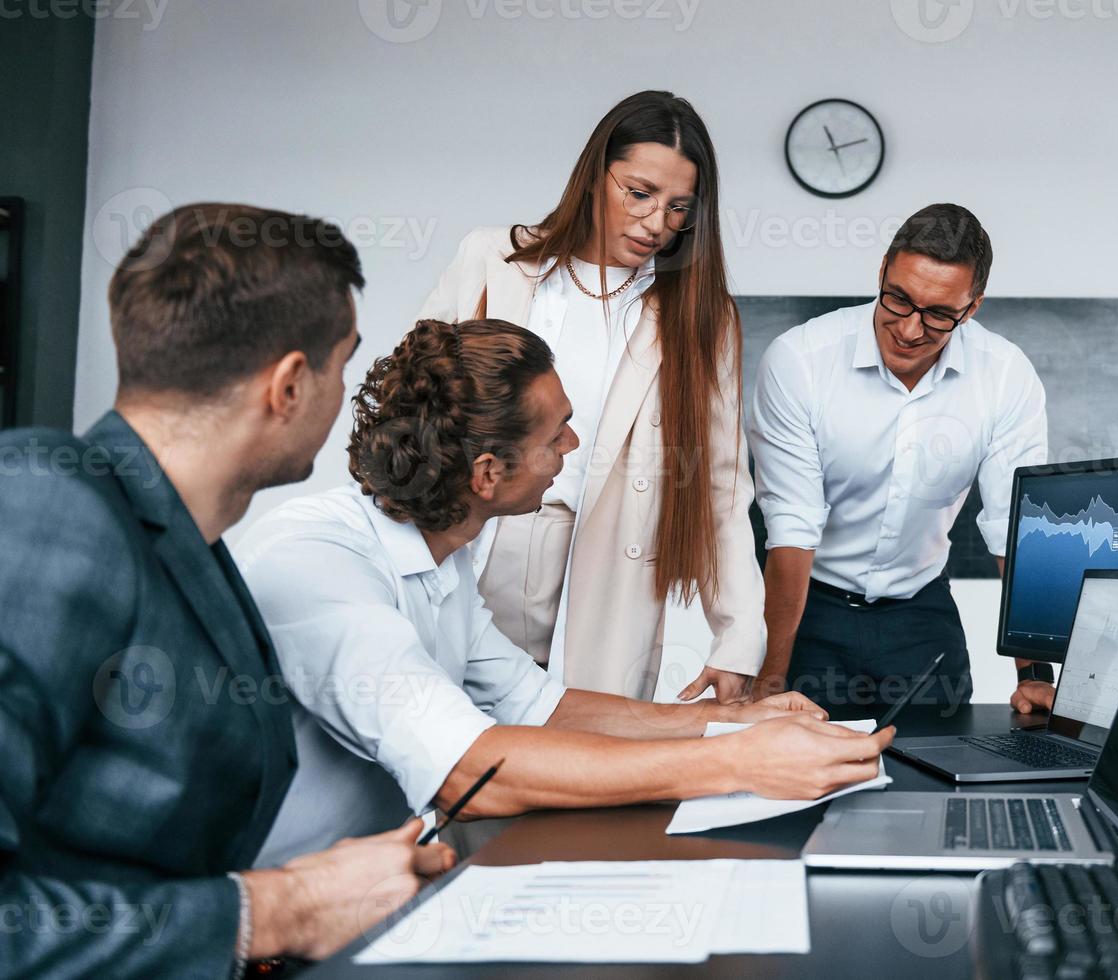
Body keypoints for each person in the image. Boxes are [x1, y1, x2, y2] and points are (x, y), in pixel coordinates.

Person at [240, 318, 894, 864]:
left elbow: (537, 705)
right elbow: (471, 774)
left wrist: (729, 721)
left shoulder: (443, 557)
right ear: (488, 473)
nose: (574, 445)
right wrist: (737, 761)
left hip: (379, 884)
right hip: (283, 935)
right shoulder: (319, 565)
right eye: (557, 435)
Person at [0, 203, 455, 977]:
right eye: (344, 364)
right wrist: (281, 909)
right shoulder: (49, 506)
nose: (346, 392)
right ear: (287, 386)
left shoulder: (184, 538)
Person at [418, 90, 761, 704]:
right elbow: (412, 409)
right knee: (447, 747)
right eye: (640, 193)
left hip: (608, 564)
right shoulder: (493, 259)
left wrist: (736, 639)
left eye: (680, 207)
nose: (658, 222)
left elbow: (722, 487)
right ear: (594, 174)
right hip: (477, 539)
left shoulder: (703, 315)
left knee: (589, 756)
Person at [747, 203, 1050, 715]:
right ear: (883, 269)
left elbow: (1013, 530)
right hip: (809, 606)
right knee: (793, 774)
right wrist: (771, 679)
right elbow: (793, 526)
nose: (910, 331)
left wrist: (1035, 674)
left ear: (972, 307)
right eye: (899, 300)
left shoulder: (1004, 375)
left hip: (921, 610)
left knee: (940, 772)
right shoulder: (801, 360)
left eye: (938, 315)